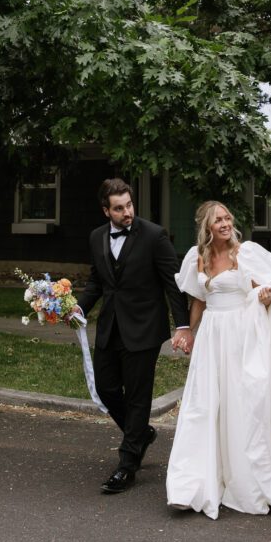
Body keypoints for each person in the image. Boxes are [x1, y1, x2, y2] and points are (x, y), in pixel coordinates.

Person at [166, 200, 271, 519]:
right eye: (218, 220)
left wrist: (266, 299)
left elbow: (262, 293)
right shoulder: (197, 257)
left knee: (242, 405)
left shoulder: (245, 253)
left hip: (240, 336)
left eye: (227, 218)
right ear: (206, 227)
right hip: (212, 336)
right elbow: (199, 298)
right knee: (206, 405)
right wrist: (188, 331)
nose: (225, 223)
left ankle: (248, 479)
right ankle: (194, 482)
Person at [75, 178, 192, 494]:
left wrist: (183, 326)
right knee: (105, 388)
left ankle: (127, 465)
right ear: (106, 211)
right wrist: (78, 309)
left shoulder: (155, 236)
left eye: (128, 205)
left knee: (138, 397)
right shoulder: (97, 237)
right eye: (118, 208)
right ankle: (140, 433)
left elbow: (173, 284)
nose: (126, 212)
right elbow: (96, 283)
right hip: (110, 327)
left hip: (144, 329)